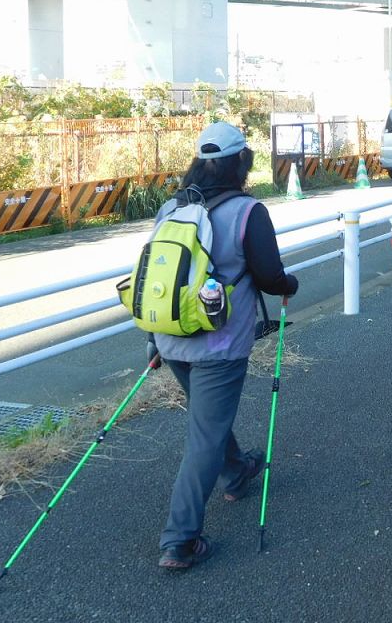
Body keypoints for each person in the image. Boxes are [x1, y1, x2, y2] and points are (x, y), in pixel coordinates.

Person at [153, 123, 300, 570]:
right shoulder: (247, 211)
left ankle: (237, 470)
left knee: (208, 420)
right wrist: (290, 283)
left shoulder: (170, 208)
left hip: (170, 335)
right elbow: (272, 276)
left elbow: (157, 280)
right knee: (204, 437)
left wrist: (151, 341)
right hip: (219, 343)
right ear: (241, 162)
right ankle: (179, 540)